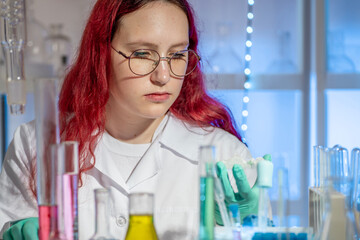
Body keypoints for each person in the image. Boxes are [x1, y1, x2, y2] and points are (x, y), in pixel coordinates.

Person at [0, 0, 261, 239]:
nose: (163, 76)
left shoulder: (226, 156)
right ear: (101, 55)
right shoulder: (36, 145)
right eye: (141, 54)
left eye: (177, 55)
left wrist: (248, 226)